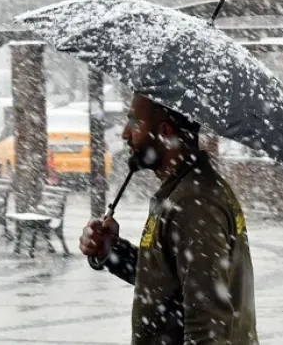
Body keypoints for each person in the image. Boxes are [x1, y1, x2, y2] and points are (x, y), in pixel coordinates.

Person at [79, 94, 259, 345]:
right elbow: (168, 282)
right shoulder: (183, 193)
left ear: (165, 132)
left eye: (135, 123)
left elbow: (207, 328)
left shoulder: (194, 205)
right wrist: (112, 252)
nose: (125, 133)